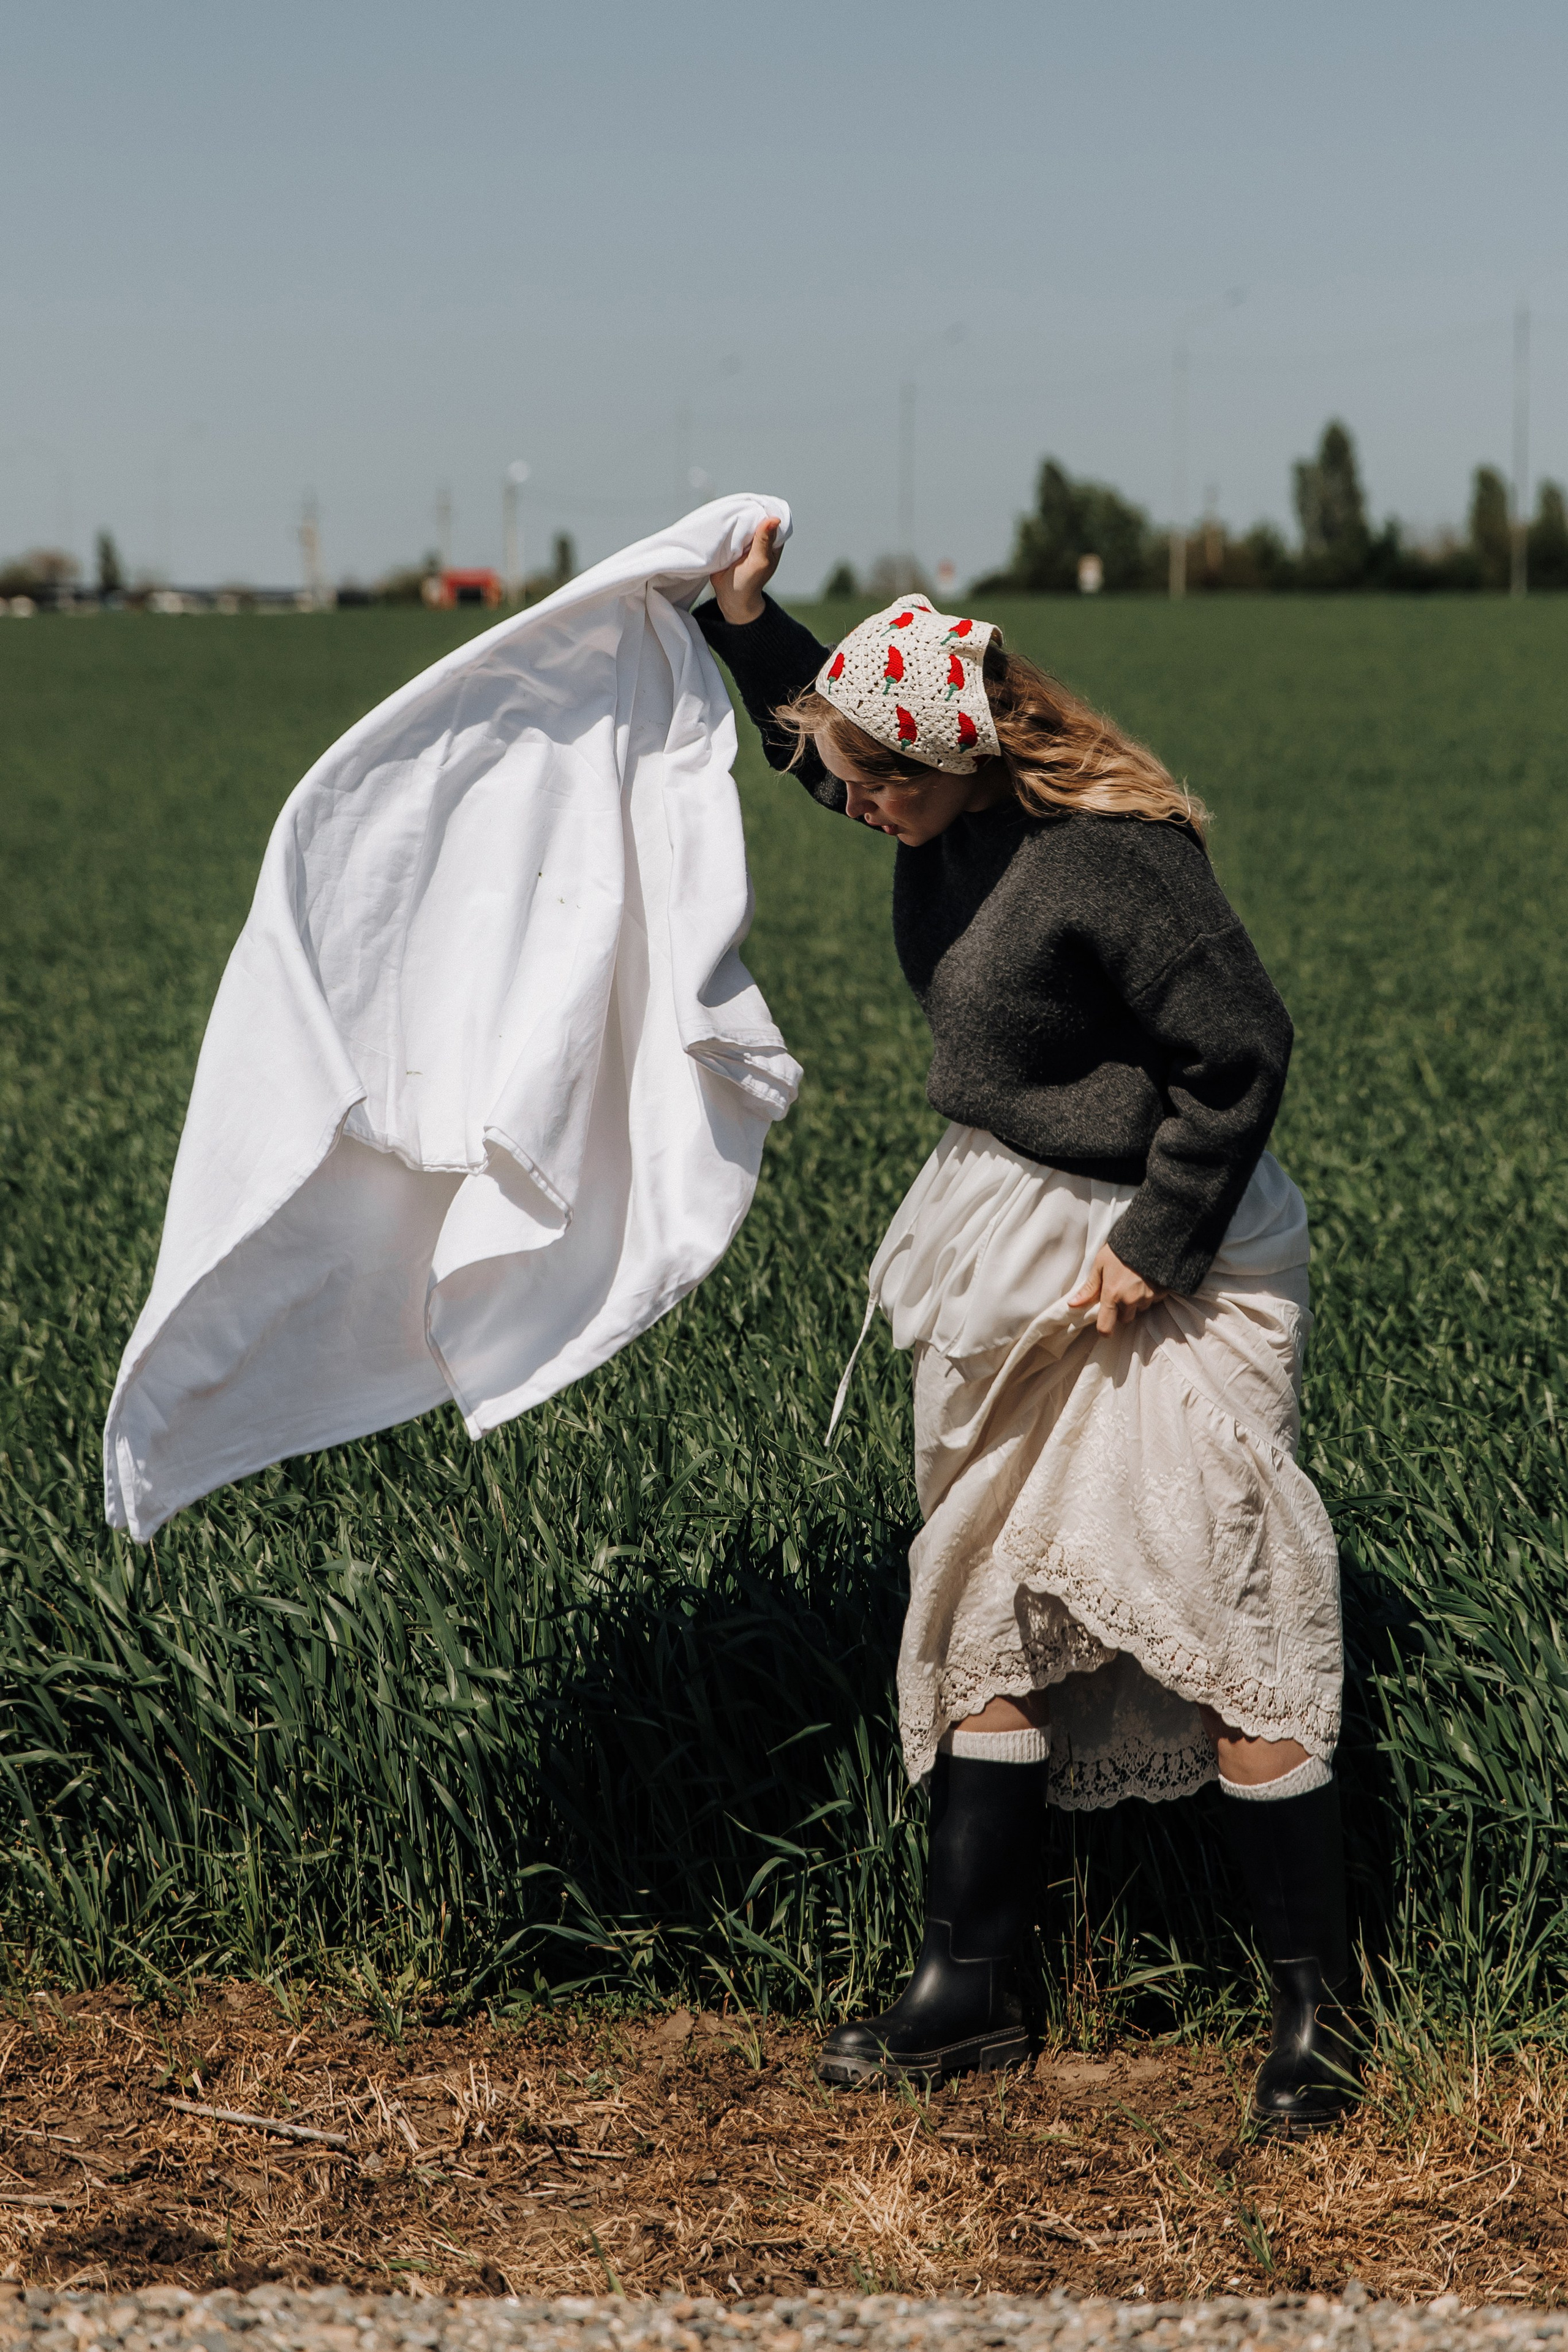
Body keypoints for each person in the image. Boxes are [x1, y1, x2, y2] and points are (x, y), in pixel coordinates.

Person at [695, 520, 1355, 2135]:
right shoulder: (938, 811)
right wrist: (747, 625)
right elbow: (830, 743)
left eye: (878, 786)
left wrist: (1156, 1236)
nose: (855, 810)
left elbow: (1243, 1051)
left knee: (1218, 1588)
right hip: (1013, 1242)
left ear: (951, 757)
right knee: (982, 1579)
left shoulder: (1113, 861)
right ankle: (972, 1985)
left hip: (1161, 1264)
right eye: (849, 783)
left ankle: (1319, 2012)